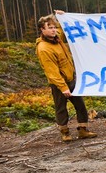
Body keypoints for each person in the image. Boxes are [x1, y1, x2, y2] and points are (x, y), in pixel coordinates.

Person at [35, 14, 97, 142]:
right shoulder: (43, 49)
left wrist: (62, 17)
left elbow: (62, 30)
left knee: (80, 105)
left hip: (71, 79)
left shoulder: (57, 38)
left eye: (54, 27)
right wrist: (63, 87)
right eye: (50, 27)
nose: (53, 30)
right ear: (42, 29)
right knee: (61, 108)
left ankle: (83, 130)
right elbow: (52, 72)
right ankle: (65, 133)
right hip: (58, 84)